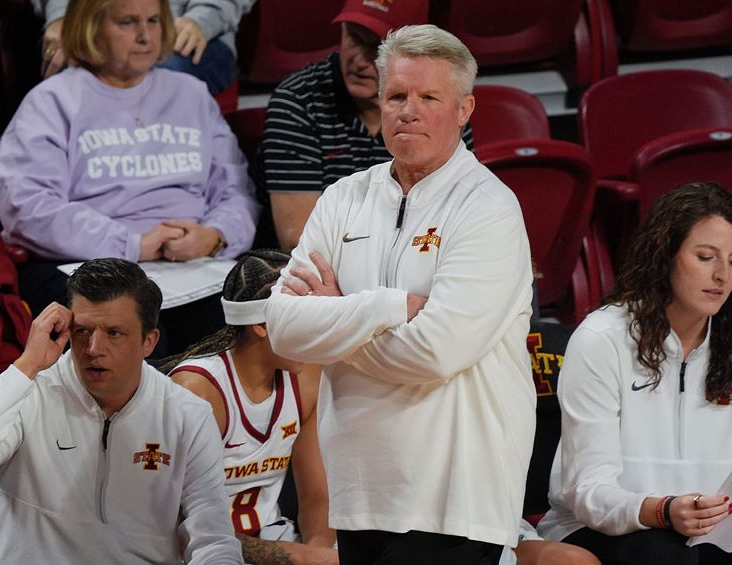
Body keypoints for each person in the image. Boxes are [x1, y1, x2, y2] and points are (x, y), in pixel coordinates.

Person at [265, 24, 534, 564]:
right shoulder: (345, 197)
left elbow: (435, 352)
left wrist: (335, 322)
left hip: (456, 498)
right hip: (361, 491)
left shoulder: (489, 209)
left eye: (428, 97)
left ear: (464, 109)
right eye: (396, 96)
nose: (407, 110)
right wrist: (384, 309)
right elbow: (283, 331)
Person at [0, 0, 260, 352]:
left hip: (194, 264)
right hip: (90, 263)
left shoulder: (191, 93)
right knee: (139, 338)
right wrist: (131, 244)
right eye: (128, 22)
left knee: (253, 323)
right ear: (91, 28)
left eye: (153, 21)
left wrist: (215, 236)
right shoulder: (51, 101)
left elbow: (236, 189)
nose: (145, 35)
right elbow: (27, 206)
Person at [537, 183, 732, 564]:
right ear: (665, 256)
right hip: (612, 525)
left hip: (716, 530)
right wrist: (663, 509)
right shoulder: (602, 338)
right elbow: (588, 490)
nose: (722, 275)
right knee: (661, 557)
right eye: (705, 257)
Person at [0, 258, 242, 563]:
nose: (93, 348)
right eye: (82, 331)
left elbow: (212, 538)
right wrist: (27, 364)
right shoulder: (28, 393)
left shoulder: (187, 415)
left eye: (114, 333)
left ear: (149, 341)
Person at [254, 0, 475, 251]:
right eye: (353, 38)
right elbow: (299, 239)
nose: (359, 61)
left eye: (376, 47)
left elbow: (459, 213)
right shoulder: (297, 101)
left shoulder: (442, 106)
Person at [163, 250, 338, 565]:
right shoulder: (198, 391)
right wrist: (302, 557)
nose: (314, 331)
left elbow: (316, 500)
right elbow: (177, 526)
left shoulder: (307, 378)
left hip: (279, 545)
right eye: (303, 318)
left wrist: (319, 551)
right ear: (260, 325)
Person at [31, 0, 252, 94]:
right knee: (67, 68)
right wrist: (62, 18)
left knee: (159, 77)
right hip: (102, 25)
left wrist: (201, 20)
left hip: (193, 26)